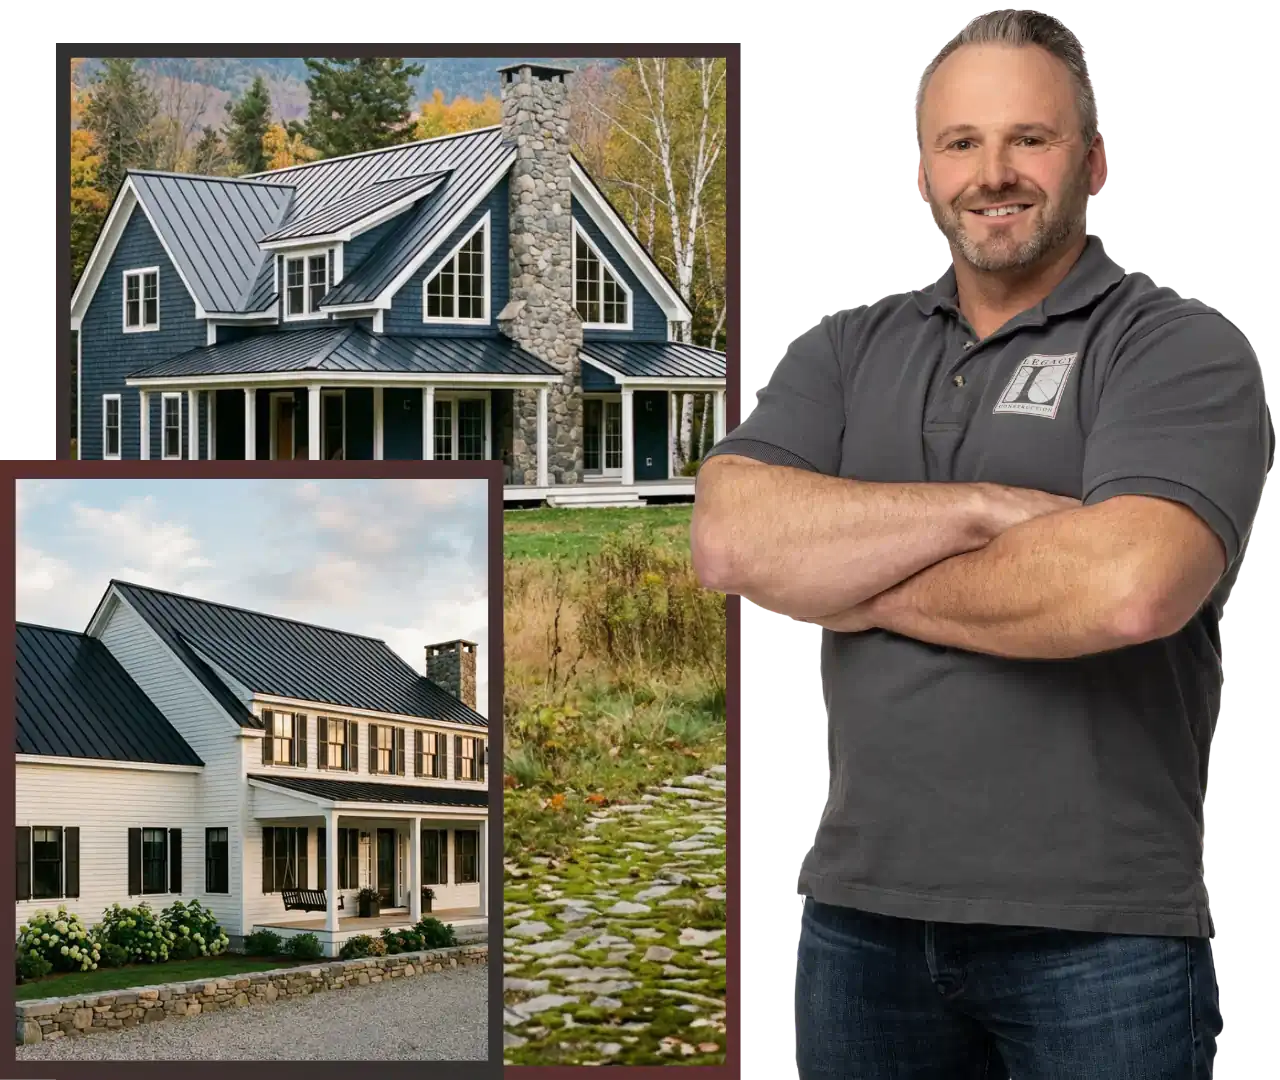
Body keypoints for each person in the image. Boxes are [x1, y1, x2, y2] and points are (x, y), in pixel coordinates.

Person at [692, 10, 1270, 1079]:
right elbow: (729, 540)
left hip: (1102, 936)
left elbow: (1130, 590)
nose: (991, 172)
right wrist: (981, 514)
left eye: (1028, 139)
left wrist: (849, 581)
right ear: (922, 171)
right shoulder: (841, 347)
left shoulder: (1176, 347)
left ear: (1092, 160)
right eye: (959, 142)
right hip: (856, 921)